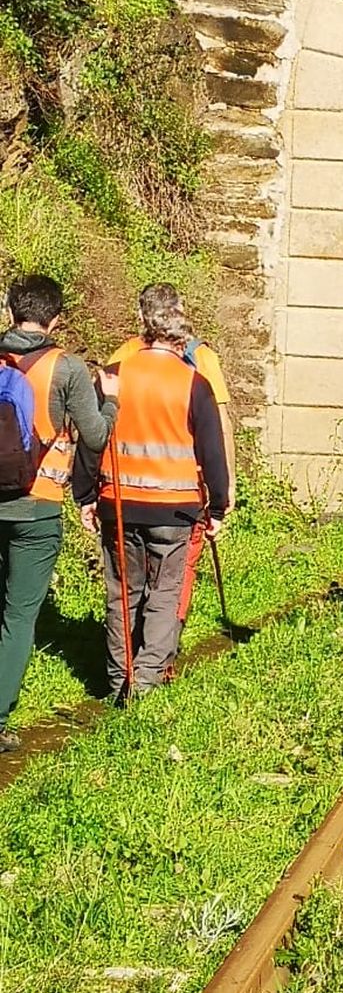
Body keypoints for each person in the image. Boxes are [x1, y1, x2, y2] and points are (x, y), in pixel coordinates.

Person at [81, 284, 229, 702]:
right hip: (175, 510)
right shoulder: (194, 383)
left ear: (144, 329)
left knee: (121, 592)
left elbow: (93, 439)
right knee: (164, 593)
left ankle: (116, 680)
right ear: (181, 336)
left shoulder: (115, 376)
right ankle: (144, 682)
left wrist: (85, 495)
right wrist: (217, 505)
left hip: (119, 503)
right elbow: (212, 452)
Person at [0, 275, 115, 748]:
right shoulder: (65, 368)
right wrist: (110, 400)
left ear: (9, 313)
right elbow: (95, 436)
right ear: (56, 319)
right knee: (19, 615)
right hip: (36, 507)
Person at [110, 285, 235, 650]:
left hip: (125, 488)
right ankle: (162, 650)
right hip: (184, 491)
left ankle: (131, 651)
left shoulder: (123, 356)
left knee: (129, 578)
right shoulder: (202, 358)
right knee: (178, 572)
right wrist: (226, 490)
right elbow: (220, 425)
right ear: (180, 314)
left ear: (143, 317)